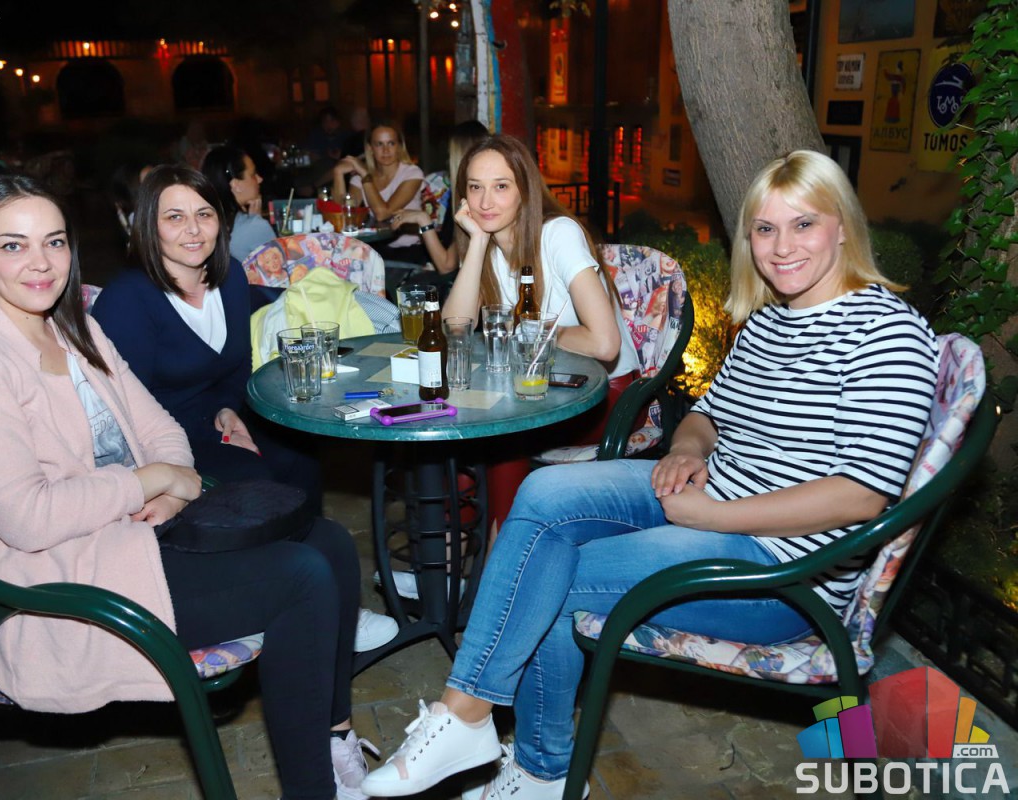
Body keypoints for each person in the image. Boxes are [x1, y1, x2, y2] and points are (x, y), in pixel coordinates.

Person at [359, 150, 939, 799]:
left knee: (551, 575)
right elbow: (709, 414)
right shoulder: (771, 317)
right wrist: (688, 449)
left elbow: (861, 495)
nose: (782, 246)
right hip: (712, 495)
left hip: (781, 571)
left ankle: (524, 756)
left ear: (843, 227)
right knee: (542, 492)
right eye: (765, 228)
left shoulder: (887, 332)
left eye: (803, 224)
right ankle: (474, 722)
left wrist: (714, 516)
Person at [0, 173, 379, 800]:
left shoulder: (74, 331)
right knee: (302, 577)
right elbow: (27, 518)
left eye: (54, 242)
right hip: (54, 579)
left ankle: (332, 735)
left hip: (127, 537)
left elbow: (161, 428)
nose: (41, 263)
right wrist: (149, 481)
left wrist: (172, 485)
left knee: (331, 544)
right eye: (13, 245)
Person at [91, 165, 398, 654]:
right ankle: (280, 601)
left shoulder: (231, 278)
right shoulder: (128, 299)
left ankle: (329, 599)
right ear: (150, 225)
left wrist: (230, 410)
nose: (193, 229)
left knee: (298, 454)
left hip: (218, 416)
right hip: (161, 441)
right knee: (254, 477)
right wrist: (195, 443)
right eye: (174, 217)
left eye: (204, 214)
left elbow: (239, 365)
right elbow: (127, 407)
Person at [441, 134, 640, 537]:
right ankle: (450, 556)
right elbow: (454, 330)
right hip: (532, 390)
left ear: (525, 191)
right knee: (454, 437)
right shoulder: (487, 247)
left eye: (501, 186)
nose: (485, 202)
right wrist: (476, 243)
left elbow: (605, 344)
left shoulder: (557, 234)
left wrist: (533, 331)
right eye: (475, 188)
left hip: (605, 396)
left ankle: (500, 553)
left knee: (502, 442)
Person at [389, 120, 490, 278]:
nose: (448, 161)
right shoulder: (461, 195)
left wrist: (423, 220)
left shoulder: (474, 202)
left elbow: (446, 266)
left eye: (451, 155)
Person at [331, 122, 426, 263]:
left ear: (399, 147)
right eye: (379, 144)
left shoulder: (412, 173)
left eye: (391, 143)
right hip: (375, 249)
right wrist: (337, 173)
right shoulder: (361, 177)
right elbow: (341, 215)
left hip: (409, 251)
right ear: (370, 148)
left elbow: (383, 213)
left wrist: (365, 175)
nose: (386, 150)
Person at [201, 144, 276, 263]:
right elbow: (278, 271)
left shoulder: (204, 222)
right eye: (253, 175)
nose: (260, 179)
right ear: (236, 185)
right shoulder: (255, 227)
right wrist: (255, 222)